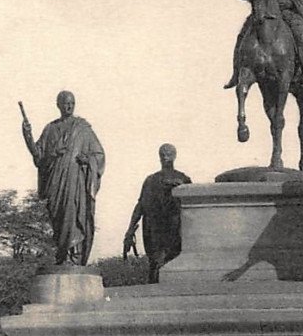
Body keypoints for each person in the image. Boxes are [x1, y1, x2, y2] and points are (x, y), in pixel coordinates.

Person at [22, 90, 105, 265]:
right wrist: (27, 136)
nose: (69, 106)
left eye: (72, 103)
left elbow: (99, 154)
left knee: (73, 214)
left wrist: (87, 160)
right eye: (66, 103)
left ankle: (73, 256)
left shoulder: (83, 128)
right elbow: (39, 155)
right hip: (55, 183)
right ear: (58, 105)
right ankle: (62, 255)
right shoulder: (50, 129)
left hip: (75, 183)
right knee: (58, 218)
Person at [123, 144, 191, 283]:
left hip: (175, 230)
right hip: (154, 230)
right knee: (155, 265)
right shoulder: (151, 181)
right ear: (159, 157)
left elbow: (191, 210)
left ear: (174, 156)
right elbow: (140, 206)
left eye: (168, 153)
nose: (166, 156)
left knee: (170, 264)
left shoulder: (183, 180)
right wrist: (130, 230)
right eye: (163, 154)